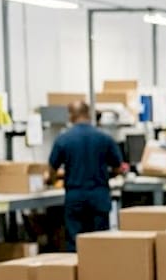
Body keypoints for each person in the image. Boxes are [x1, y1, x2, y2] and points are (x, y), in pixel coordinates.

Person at [48, 101, 122, 252]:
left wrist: (52, 181)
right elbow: (118, 167)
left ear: (71, 115)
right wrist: (108, 175)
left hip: (75, 197)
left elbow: (52, 168)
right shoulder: (104, 138)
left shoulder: (64, 139)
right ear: (88, 114)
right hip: (99, 196)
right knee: (101, 244)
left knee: (75, 243)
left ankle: (76, 267)